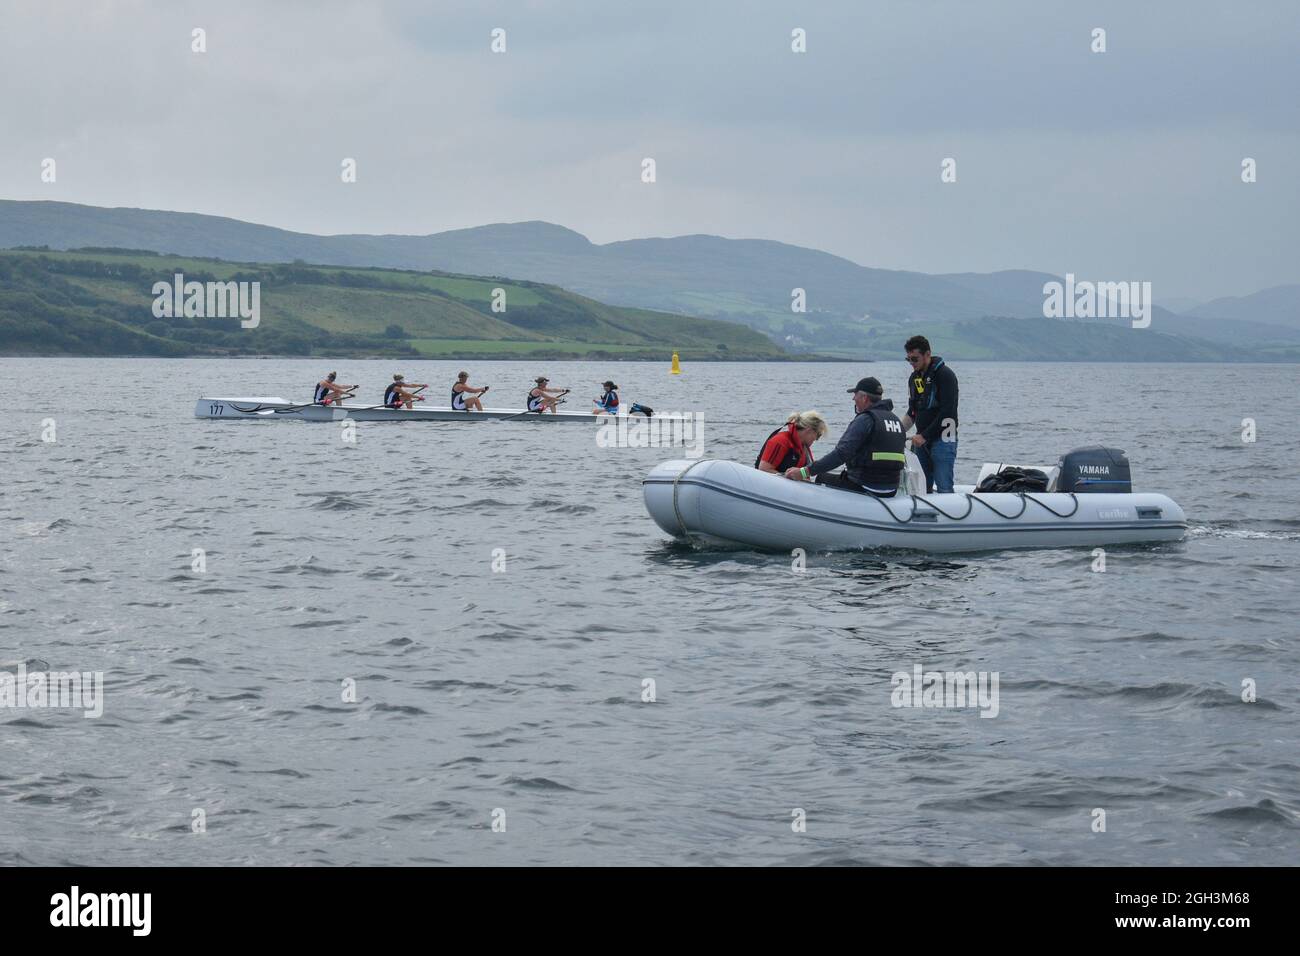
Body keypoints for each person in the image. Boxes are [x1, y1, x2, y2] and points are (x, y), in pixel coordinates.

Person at [784, 377, 906, 497]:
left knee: (822, 477)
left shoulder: (865, 419)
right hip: (891, 489)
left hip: (865, 486)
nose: (853, 398)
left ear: (864, 398)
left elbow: (840, 454)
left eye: (855, 395)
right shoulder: (896, 421)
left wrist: (804, 472)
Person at [899, 335, 959, 493]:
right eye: (909, 359)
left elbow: (948, 412)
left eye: (915, 359)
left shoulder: (946, 375)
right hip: (921, 441)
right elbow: (912, 411)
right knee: (919, 488)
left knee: (944, 485)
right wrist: (897, 431)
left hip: (944, 438)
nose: (911, 363)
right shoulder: (915, 378)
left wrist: (924, 435)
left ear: (927, 354)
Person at [756, 411, 827, 474]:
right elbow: (764, 469)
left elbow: (805, 473)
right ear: (809, 431)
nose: (816, 439)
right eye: (818, 435)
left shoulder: (804, 448)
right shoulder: (780, 440)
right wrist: (790, 478)